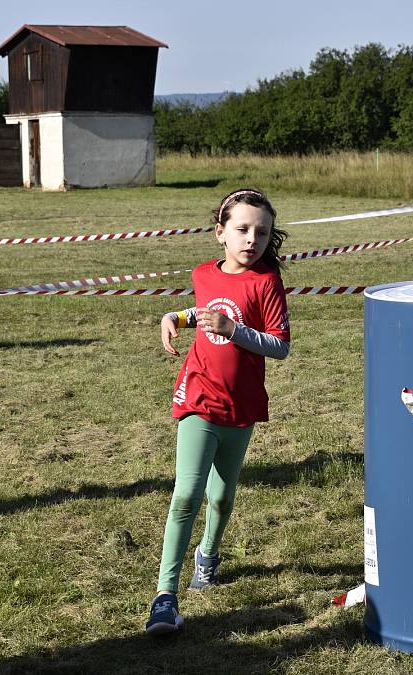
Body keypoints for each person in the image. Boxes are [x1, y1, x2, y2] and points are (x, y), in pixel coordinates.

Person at [145, 188, 291, 635]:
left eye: (262, 232)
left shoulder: (266, 282)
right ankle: (165, 598)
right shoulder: (203, 273)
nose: (252, 239)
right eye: (243, 229)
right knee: (187, 494)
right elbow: (205, 309)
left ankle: (208, 554)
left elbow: (279, 346)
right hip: (199, 394)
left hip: (241, 403)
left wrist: (235, 330)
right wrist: (177, 316)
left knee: (222, 496)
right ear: (220, 233)